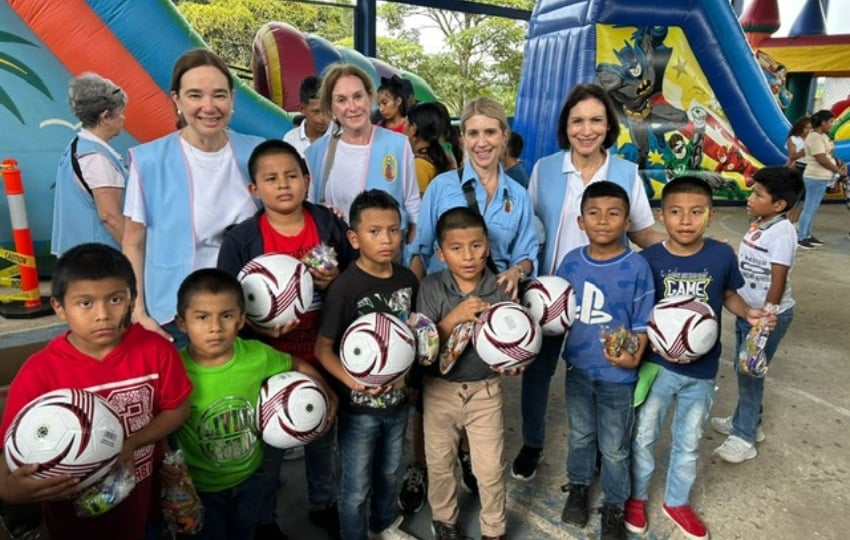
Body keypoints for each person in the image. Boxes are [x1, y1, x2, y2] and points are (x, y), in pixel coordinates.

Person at [515, 83, 664, 482]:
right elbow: (529, 231)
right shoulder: (545, 169)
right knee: (538, 371)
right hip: (550, 295)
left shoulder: (626, 173)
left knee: (602, 373)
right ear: (566, 125)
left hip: (609, 298)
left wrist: (687, 250)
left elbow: (643, 233)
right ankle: (532, 442)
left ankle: (600, 447)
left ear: (608, 125)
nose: (586, 129)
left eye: (596, 120)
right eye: (577, 120)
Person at [0, 243, 192, 540]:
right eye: (85, 303)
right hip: (73, 519)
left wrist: (132, 442)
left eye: (115, 299)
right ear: (59, 308)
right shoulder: (40, 372)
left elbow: (178, 408)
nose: (103, 314)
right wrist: (8, 488)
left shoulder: (156, 351)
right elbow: (8, 447)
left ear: (132, 299)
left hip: (146, 502)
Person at [217, 139, 356, 539]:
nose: (283, 185)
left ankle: (323, 502)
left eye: (292, 176)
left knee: (321, 432)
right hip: (268, 359)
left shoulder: (329, 226)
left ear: (307, 180)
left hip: (321, 351)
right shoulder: (242, 240)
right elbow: (226, 303)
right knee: (269, 447)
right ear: (254, 189)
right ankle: (265, 520)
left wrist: (337, 282)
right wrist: (255, 328)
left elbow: (357, 274)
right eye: (271, 178)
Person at [624, 176, 774, 540]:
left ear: (712, 214)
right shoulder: (648, 259)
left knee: (688, 440)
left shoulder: (721, 254)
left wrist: (749, 313)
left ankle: (676, 501)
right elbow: (636, 309)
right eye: (676, 212)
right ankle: (637, 497)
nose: (686, 220)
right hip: (656, 367)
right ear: (662, 215)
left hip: (702, 371)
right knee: (644, 436)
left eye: (696, 212)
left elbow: (728, 294)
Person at [172, 268, 336, 540]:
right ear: (181, 322)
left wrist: (327, 392)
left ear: (241, 320)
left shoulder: (256, 355)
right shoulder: (174, 369)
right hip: (201, 487)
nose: (215, 327)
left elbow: (296, 363)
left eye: (226, 316)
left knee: (245, 533)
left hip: (250, 478)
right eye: (202, 317)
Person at [123, 48, 262, 347]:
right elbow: (133, 241)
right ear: (177, 100)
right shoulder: (149, 162)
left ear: (232, 99)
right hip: (175, 316)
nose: (209, 106)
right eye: (196, 95)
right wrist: (137, 312)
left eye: (219, 95)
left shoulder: (257, 155)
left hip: (248, 309)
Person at [314, 190, 418, 540]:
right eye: (374, 231)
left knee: (389, 472)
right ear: (355, 238)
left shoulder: (407, 280)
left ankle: (383, 523)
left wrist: (413, 380)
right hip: (358, 410)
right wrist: (354, 382)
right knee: (355, 486)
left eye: (393, 230)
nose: (386, 239)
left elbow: (413, 335)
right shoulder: (345, 288)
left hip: (397, 405)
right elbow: (322, 349)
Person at [556, 182, 654, 540]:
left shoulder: (637, 266)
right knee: (581, 435)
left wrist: (634, 356)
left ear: (627, 222)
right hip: (578, 368)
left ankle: (614, 506)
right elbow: (558, 311)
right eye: (594, 213)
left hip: (618, 376)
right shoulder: (570, 262)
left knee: (614, 447)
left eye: (613, 214)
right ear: (580, 221)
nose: (603, 221)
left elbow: (643, 321)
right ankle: (579, 486)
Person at [418, 207, 521, 540]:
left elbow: (517, 341)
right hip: (439, 390)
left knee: (490, 469)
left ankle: (494, 528)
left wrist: (517, 360)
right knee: (440, 465)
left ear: (487, 247)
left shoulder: (502, 287)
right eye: (456, 248)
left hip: (485, 391)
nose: (468, 256)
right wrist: (455, 317)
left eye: (476, 246)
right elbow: (422, 347)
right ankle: (445, 522)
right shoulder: (431, 287)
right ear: (441, 253)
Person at [710, 167, 804, 463]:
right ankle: (748, 420)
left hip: (766, 318)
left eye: (758, 194)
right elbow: (753, 264)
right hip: (747, 312)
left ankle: (744, 436)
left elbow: (778, 278)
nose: (750, 197)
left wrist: (766, 318)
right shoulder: (760, 223)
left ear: (779, 205)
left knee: (749, 373)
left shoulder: (782, 232)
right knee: (746, 368)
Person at [410, 97, 538, 293]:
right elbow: (421, 252)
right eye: (473, 133)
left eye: (490, 132)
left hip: (493, 306)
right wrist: (414, 304)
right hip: (443, 303)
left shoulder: (519, 196)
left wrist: (517, 271)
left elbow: (526, 255)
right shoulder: (440, 187)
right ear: (462, 138)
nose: (481, 143)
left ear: (504, 135)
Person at [305, 64, 419, 249]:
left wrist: (414, 258)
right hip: (338, 259)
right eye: (341, 100)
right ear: (330, 107)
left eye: (358, 96)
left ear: (369, 97)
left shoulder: (397, 145)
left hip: (388, 258)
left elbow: (413, 206)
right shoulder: (316, 153)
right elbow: (311, 211)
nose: (352, 107)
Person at [51, 73, 128, 255]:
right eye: (120, 113)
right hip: (100, 259)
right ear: (105, 117)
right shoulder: (97, 159)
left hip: (78, 254)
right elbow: (110, 217)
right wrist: (140, 251)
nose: (124, 119)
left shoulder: (77, 147)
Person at [797, 109, 846, 249]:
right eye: (830, 122)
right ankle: (801, 236)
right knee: (809, 207)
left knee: (813, 207)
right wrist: (837, 171)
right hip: (815, 176)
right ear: (822, 122)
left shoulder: (823, 136)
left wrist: (839, 162)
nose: (832, 124)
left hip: (822, 176)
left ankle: (807, 234)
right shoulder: (814, 137)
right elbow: (821, 158)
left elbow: (828, 153)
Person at [405, 101, 455, 194]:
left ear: (413, 129)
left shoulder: (419, 164)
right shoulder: (444, 157)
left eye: (406, 123)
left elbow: (417, 205)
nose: (403, 129)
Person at [283, 75, 330, 158]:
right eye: (316, 111)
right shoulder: (291, 140)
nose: (323, 117)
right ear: (302, 109)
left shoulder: (342, 136)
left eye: (327, 109)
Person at [784, 115, 811, 224]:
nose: (809, 130)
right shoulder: (794, 139)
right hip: (798, 168)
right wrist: (805, 150)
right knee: (795, 196)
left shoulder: (812, 139)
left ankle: (794, 222)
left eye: (811, 128)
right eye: (807, 127)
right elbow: (792, 156)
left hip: (810, 168)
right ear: (800, 127)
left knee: (804, 199)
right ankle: (785, 220)